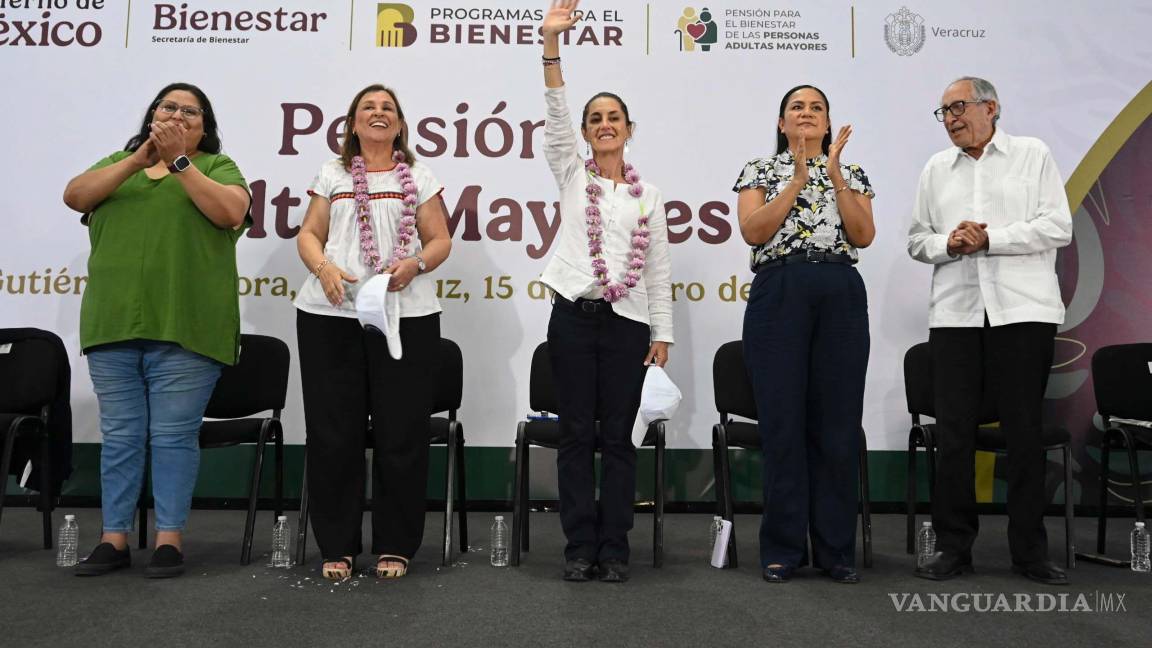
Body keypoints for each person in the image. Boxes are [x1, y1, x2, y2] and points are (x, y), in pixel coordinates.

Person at [62, 82, 251, 578]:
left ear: (203, 128)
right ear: (152, 115)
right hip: (114, 323)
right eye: (169, 107)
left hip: (187, 327)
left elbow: (230, 211)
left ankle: (169, 539)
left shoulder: (216, 167)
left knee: (172, 436)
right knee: (121, 435)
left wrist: (179, 163)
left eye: (191, 112)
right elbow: (74, 195)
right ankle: (114, 538)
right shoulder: (117, 165)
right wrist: (138, 159)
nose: (178, 115)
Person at [907, 76, 1073, 585]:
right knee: (955, 436)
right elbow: (917, 241)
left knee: (1023, 434)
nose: (952, 119)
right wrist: (949, 244)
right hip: (956, 316)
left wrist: (990, 239)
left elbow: (1057, 227)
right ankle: (954, 548)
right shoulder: (936, 169)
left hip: (1022, 314)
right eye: (944, 112)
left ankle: (1030, 553)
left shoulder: (1032, 154)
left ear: (991, 108)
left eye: (958, 107)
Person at [538, 0, 673, 583]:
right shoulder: (573, 173)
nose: (603, 124)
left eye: (613, 116)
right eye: (596, 118)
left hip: (627, 325)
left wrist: (662, 333)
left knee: (618, 438)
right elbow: (556, 114)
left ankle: (614, 548)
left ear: (629, 129)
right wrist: (551, 46)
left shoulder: (648, 196)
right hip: (574, 315)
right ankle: (577, 548)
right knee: (575, 436)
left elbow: (659, 272)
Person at [294, 84, 452, 580]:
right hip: (329, 314)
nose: (378, 114)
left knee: (401, 433)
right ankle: (336, 546)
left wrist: (417, 264)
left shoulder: (419, 175)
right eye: (369, 108)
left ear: (401, 125)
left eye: (388, 109)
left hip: (407, 316)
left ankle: (395, 545)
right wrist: (322, 267)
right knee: (332, 433)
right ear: (353, 124)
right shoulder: (334, 173)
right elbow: (308, 234)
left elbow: (441, 239)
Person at [732, 84, 875, 584]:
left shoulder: (850, 173)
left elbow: (862, 235)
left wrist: (833, 176)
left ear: (829, 122)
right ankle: (783, 547)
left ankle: (836, 549)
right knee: (783, 425)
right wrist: (793, 182)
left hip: (839, 289)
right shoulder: (759, 170)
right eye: (797, 107)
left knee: (836, 425)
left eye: (817, 108)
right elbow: (753, 232)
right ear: (781, 122)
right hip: (780, 289)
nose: (807, 114)